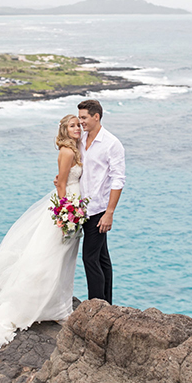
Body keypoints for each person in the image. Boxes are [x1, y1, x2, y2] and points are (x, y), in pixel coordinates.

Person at [0, 114, 84, 346]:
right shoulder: (67, 152)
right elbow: (61, 184)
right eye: (72, 125)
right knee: (50, 259)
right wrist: (65, 211)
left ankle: (59, 307)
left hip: (74, 207)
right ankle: (40, 306)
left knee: (65, 259)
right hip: (66, 208)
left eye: (78, 124)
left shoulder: (76, 149)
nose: (77, 128)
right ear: (64, 130)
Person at [77, 99, 125, 304]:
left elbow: (118, 179)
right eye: (79, 118)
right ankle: (107, 304)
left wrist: (109, 212)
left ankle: (95, 306)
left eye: (84, 118)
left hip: (98, 210)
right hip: (82, 209)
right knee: (102, 258)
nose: (81, 122)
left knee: (89, 258)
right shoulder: (81, 139)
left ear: (96, 117)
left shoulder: (112, 144)